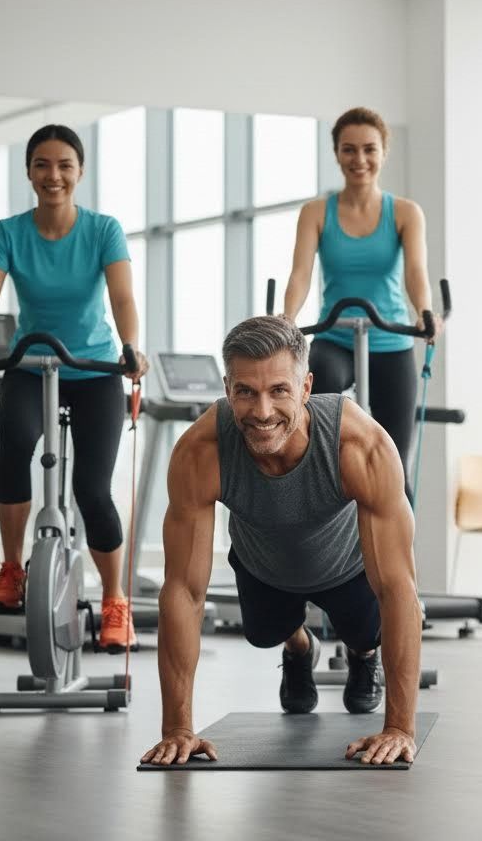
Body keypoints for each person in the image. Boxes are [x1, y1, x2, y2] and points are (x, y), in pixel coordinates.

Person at [140, 316, 422, 767]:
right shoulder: (201, 451)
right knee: (263, 634)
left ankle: (362, 653)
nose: (263, 411)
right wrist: (177, 729)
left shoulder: (359, 445)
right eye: (246, 392)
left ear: (306, 388)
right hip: (263, 566)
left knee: (366, 632)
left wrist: (399, 728)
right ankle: (300, 647)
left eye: (279, 391)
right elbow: (184, 592)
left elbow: (398, 588)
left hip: (346, 566)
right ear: (227, 388)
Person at [0, 124, 148, 651]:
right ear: (29, 172)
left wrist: (130, 347)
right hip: (30, 366)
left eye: (64, 165)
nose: (53, 175)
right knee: (13, 448)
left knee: (92, 490)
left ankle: (114, 598)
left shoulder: (103, 230)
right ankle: (12, 570)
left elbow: (122, 297)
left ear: (80, 172)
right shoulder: (8, 233)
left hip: (95, 369)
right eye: (42, 165)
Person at [282, 107, 439, 488]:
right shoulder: (316, 212)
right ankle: (326, 489)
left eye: (369, 149)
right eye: (349, 150)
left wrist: (425, 312)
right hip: (335, 338)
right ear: (337, 153)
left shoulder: (405, 213)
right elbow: (301, 273)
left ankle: (395, 520)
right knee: (319, 392)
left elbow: (415, 272)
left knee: (394, 464)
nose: (360, 159)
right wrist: (287, 318)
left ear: (384, 152)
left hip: (391, 341)